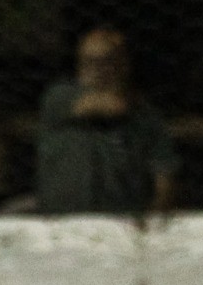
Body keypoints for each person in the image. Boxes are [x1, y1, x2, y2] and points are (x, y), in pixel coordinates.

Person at [36, 27, 177, 220]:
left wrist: (156, 213)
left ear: (123, 64)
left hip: (122, 221)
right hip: (62, 220)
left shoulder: (145, 116)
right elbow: (110, 106)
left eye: (105, 61)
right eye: (88, 61)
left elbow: (164, 170)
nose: (95, 69)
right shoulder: (60, 97)